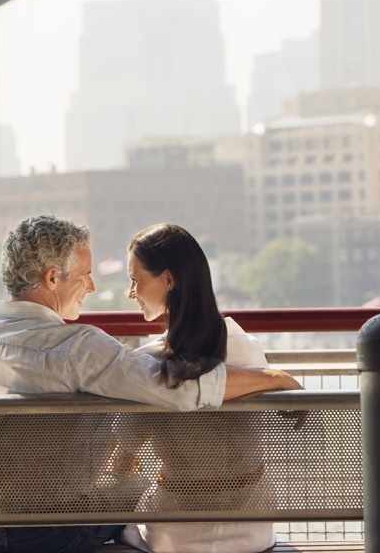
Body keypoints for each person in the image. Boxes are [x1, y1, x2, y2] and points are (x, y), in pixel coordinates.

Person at [0, 215, 301, 553]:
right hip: (48, 532)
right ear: (51, 279)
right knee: (155, 491)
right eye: (85, 275)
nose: (92, 286)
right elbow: (183, 391)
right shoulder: (76, 347)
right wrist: (274, 377)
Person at [125, 222, 280, 553]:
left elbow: (122, 462)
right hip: (253, 530)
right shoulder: (246, 347)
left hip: (179, 535)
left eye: (136, 280)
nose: (131, 292)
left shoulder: (146, 362)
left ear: (168, 280)